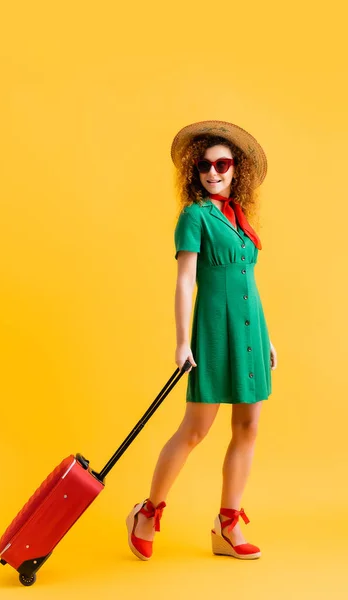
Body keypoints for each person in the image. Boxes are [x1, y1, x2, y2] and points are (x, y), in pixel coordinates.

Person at [125, 120, 278, 561]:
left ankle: (227, 526)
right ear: (196, 171)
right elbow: (185, 282)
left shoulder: (239, 217)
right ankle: (147, 513)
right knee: (195, 430)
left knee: (248, 427)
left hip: (251, 331)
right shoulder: (195, 216)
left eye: (223, 164)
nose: (213, 172)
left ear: (237, 170)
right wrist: (181, 342)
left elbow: (247, 282)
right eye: (205, 165)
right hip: (213, 332)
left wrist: (267, 336)